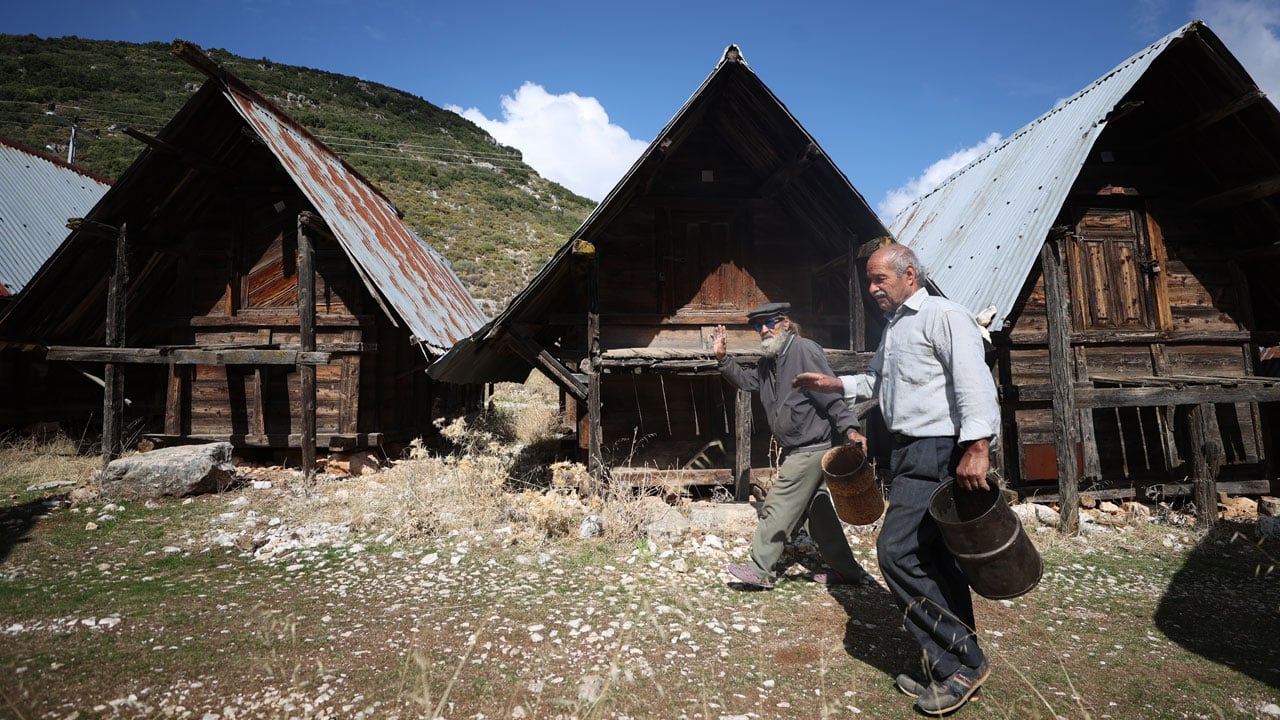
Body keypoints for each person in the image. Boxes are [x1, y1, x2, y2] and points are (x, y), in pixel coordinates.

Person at [793, 244, 1000, 716]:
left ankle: (963, 663)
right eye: (869, 281)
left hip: (939, 448)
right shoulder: (897, 327)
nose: (872, 289)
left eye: (879, 279)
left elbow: (973, 381)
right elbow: (877, 381)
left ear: (910, 275)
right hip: (908, 449)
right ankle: (950, 665)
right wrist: (833, 385)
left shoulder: (944, 315)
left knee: (896, 551)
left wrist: (978, 446)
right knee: (934, 557)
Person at [713, 301, 874, 590]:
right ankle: (848, 572)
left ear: (786, 322)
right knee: (821, 514)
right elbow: (748, 382)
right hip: (799, 449)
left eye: (769, 323)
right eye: (757, 325)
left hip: (811, 448)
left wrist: (850, 428)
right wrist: (724, 360)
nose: (763, 329)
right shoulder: (769, 361)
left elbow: (828, 394)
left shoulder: (803, 350)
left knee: (776, 506)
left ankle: (760, 570)